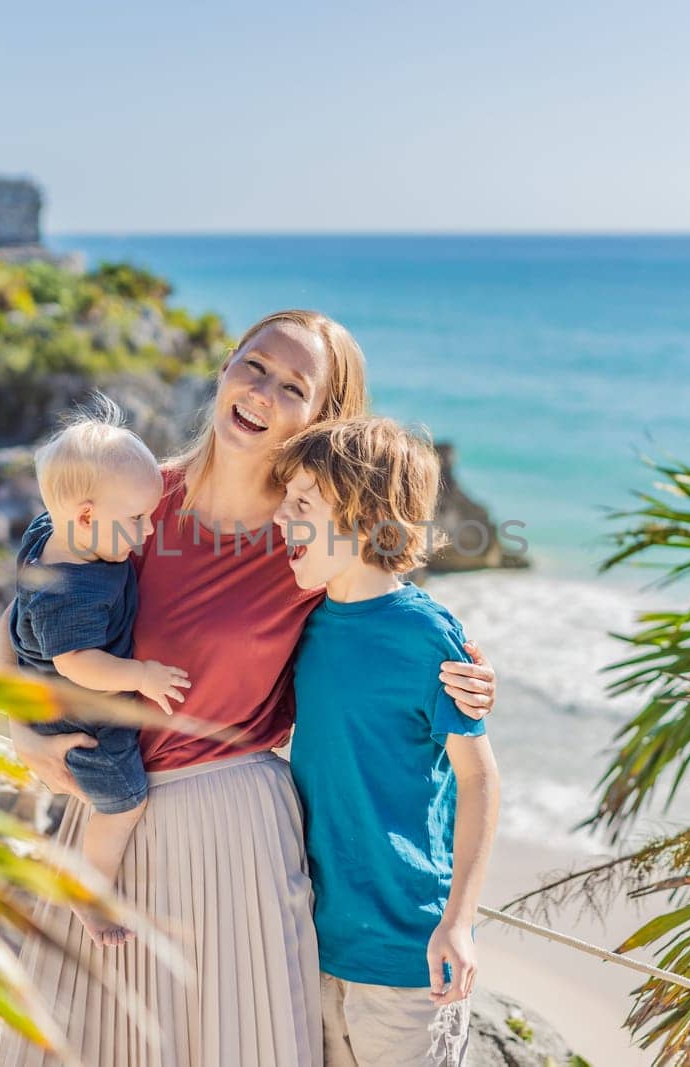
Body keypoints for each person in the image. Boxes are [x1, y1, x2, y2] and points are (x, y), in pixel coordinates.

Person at [0, 310, 497, 1067]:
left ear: (322, 420)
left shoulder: (313, 540)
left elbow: (388, 628)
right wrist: (22, 724)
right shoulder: (133, 490)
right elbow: (23, 619)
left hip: (238, 835)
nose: (261, 390)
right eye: (253, 365)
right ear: (227, 366)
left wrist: (471, 675)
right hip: (109, 819)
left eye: (293, 385)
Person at [272, 417, 499, 1067]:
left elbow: (480, 778)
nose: (281, 516)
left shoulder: (427, 634)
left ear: (364, 516)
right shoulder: (306, 622)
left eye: (302, 503)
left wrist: (459, 921)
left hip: (411, 956)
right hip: (318, 943)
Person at [0, 397, 189, 946]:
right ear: (85, 516)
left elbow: (12, 618)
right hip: (82, 717)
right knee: (125, 804)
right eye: (135, 520)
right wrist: (141, 675)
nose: (147, 531)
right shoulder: (75, 590)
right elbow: (78, 664)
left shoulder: (48, 532)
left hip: (49, 687)